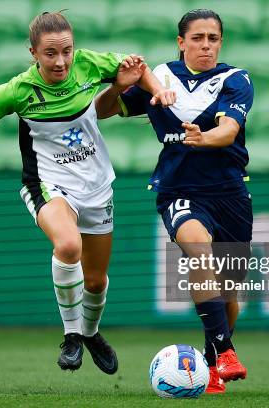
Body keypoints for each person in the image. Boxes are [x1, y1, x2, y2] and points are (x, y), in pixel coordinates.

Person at [0, 11, 174, 374]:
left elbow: (138, 68)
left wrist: (153, 89)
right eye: (50, 53)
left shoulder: (90, 63)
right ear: (33, 53)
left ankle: (90, 334)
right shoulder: (18, 91)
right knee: (68, 246)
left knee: (95, 279)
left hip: (96, 184)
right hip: (47, 183)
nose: (60, 61)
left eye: (67, 51)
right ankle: (72, 335)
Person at [95, 9, 252, 393]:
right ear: (181, 42)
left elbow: (228, 132)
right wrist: (118, 86)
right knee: (198, 247)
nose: (206, 46)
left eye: (213, 38)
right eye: (197, 38)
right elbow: (101, 111)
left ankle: (213, 365)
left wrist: (204, 137)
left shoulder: (235, 79)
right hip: (179, 191)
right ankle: (225, 351)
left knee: (229, 289)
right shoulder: (159, 79)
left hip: (230, 193)